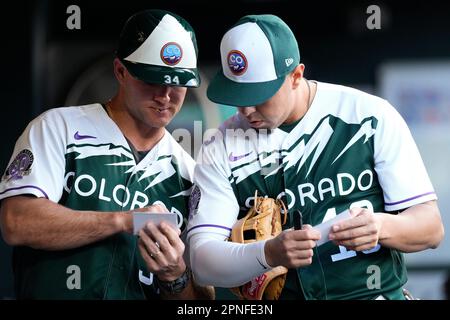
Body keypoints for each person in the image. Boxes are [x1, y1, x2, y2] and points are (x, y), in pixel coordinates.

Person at [187, 14, 444, 300]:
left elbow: (431, 228)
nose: (246, 109)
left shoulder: (368, 115)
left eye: (259, 95)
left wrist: (383, 226)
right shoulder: (219, 145)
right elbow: (201, 261)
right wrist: (267, 252)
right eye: (237, 94)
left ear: (296, 76)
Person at [0, 9, 213, 300]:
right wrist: (124, 221)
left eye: (177, 83)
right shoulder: (58, 128)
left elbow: (201, 301)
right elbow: (16, 223)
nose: (165, 95)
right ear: (120, 71)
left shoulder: (190, 175)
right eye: (152, 80)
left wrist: (174, 276)